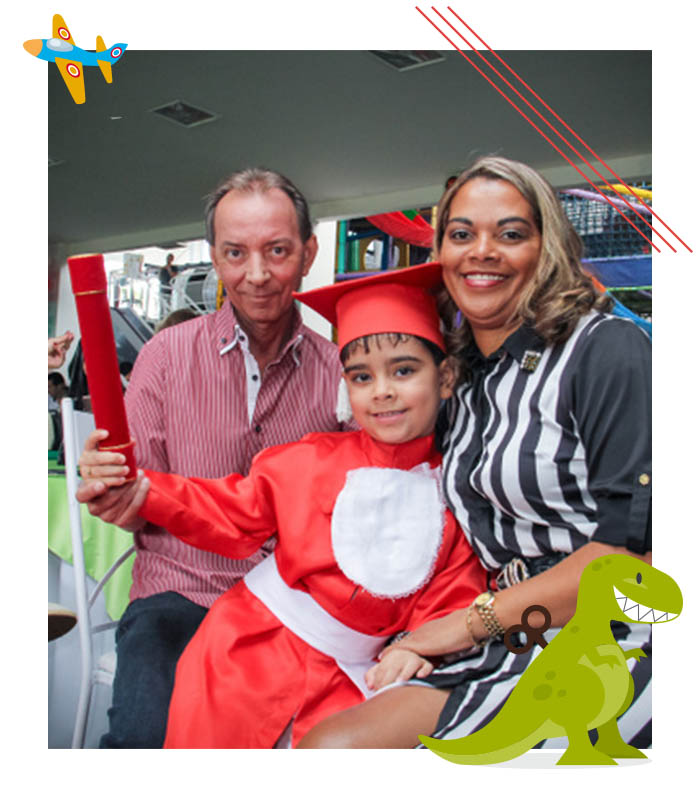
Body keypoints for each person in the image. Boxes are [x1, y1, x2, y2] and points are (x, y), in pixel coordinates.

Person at [297, 155, 652, 750]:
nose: (481, 251)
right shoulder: (462, 380)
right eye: (462, 234)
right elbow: (367, 440)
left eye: (510, 234)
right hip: (509, 632)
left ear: (548, 248)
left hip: (618, 630)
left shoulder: (605, 350)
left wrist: (461, 626)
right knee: (325, 748)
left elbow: (630, 557)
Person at [78, 263, 487, 748]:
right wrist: (144, 489)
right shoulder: (308, 461)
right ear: (346, 388)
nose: (382, 391)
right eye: (361, 376)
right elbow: (227, 508)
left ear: (445, 379)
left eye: (404, 370)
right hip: (245, 647)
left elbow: (452, 593)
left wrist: (419, 646)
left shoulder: (457, 494)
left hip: (352, 669)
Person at [76, 168, 346, 748]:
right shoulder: (166, 356)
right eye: (235, 253)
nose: (256, 274)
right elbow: (131, 506)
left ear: (307, 252)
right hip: (179, 593)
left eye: (277, 251)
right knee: (146, 738)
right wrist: (108, 485)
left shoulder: (340, 373)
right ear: (216, 260)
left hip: (293, 604)